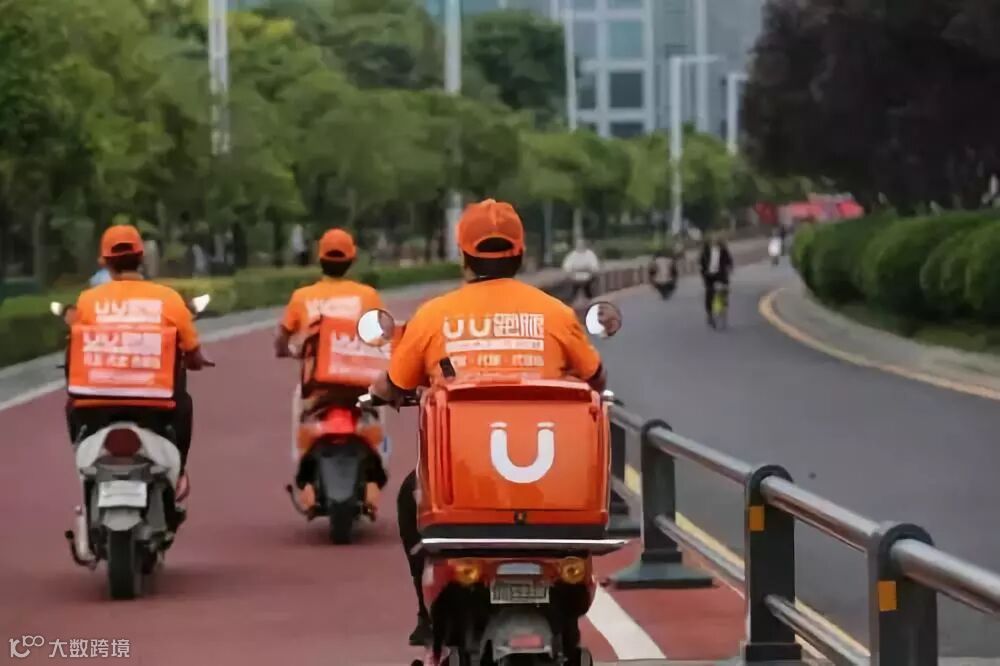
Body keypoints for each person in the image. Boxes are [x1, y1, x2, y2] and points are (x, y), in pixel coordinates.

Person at [367, 199, 610, 646]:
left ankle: (426, 616)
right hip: (553, 493)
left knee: (409, 498)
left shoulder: (434, 315)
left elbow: (394, 384)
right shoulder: (555, 313)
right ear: (520, 254)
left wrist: (379, 394)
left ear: (464, 256)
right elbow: (595, 377)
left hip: (464, 492)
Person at [65, 225, 213, 503]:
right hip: (155, 406)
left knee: (71, 406)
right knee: (184, 405)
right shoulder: (168, 299)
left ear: (105, 262)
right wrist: (196, 361)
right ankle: (179, 472)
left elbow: (75, 345)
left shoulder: (88, 301)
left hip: (96, 406)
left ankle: (84, 461)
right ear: (141, 257)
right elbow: (192, 350)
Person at [275, 228, 388, 514]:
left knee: (298, 411)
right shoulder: (367, 295)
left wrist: (284, 350)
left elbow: (282, 337)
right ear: (352, 259)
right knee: (380, 412)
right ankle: (379, 464)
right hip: (360, 384)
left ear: (319, 258)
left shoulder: (302, 297)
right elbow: (382, 336)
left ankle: (303, 465)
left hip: (317, 388)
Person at [699, 235, 733, 328]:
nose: (714, 243)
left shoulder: (724, 251)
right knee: (709, 294)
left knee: (723, 292)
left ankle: (723, 310)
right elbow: (701, 264)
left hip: (721, 276)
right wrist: (703, 273)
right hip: (709, 277)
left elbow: (729, 261)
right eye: (712, 242)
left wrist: (729, 268)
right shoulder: (705, 252)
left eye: (716, 242)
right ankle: (709, 314)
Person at [561, 237, 601, 304]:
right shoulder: (572, 255)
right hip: (575, 278)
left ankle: (591, 301)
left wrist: (581, 269)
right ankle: (570, 302)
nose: (580, 246)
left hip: (588, 278)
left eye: (582, 244)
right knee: (571, 289)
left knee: (589, 290)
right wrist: (582, 269)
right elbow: (566, 267)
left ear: (584, 245)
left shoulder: (590, 254)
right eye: (578, 244)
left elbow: (594, 267)